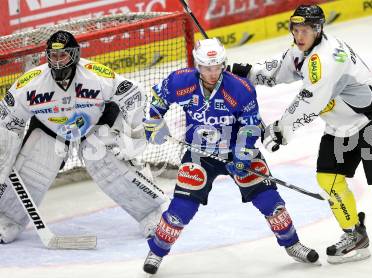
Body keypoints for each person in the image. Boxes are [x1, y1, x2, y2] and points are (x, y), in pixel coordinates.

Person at [228, 4, 372, 265]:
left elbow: (309, 102)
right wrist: (245, 71)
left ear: (318, 30)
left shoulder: (326, 58)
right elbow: (279, 69)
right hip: (340, 127)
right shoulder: (302, 50)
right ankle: (354, 236)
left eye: (305, 30)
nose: (300, 35)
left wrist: (281, 130)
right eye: (296, 30)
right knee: (328, 179)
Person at [142, 38, 319, 275]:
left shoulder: (241, 88)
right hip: (200, 153)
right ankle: (157, 250)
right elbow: (158, 99)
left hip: (237, 150)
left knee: (269, 200)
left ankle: (292, 243)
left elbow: (250, 126)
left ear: (224, 64)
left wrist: (242, 156)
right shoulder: (180, 81)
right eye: (206, 67)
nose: (213, 73)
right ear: (197, 65)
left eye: (217, 67)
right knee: (181, 208)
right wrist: (154, 122)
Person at [0, 30, 169, 244]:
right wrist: (4, 158)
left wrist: (134, 133)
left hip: (95, 125)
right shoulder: (31, 83)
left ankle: (153, 211)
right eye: (53, 56)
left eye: (63, 56)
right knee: (33, 169)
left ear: (75, 55)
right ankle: (6, 219)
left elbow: (133, 93)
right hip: (50, 129)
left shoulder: (93, 75)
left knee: (105, 163)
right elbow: (6, 120)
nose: (58, 61)